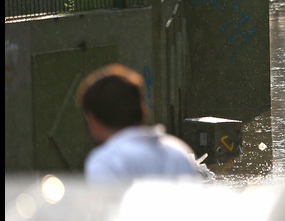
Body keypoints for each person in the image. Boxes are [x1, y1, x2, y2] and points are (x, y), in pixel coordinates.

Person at [76, 64, 204, 183]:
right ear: (142, 109)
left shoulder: (105, 161)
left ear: (93, 120)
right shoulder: (178, 152)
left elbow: (106, 206)